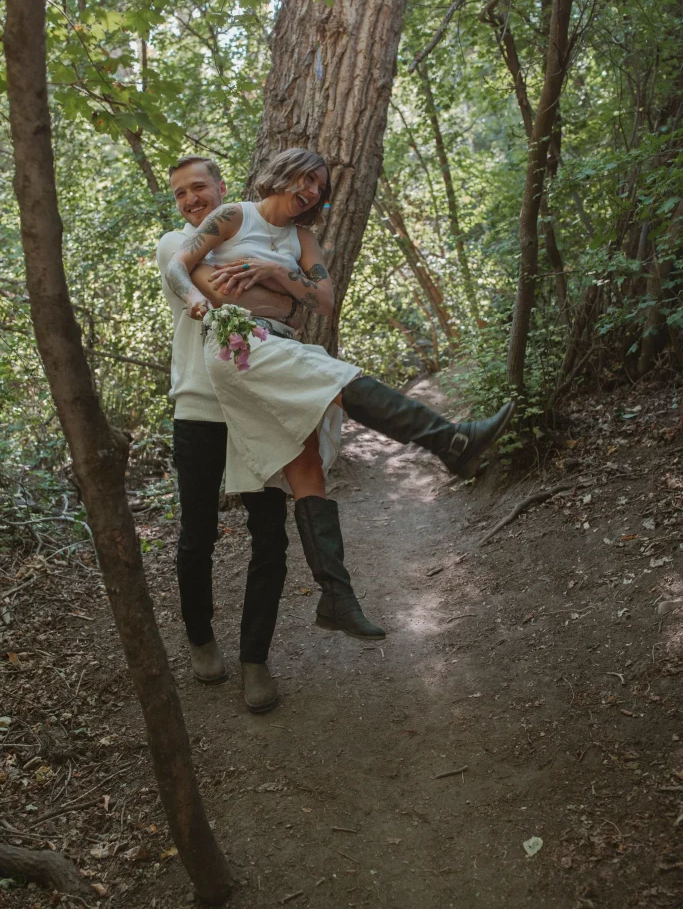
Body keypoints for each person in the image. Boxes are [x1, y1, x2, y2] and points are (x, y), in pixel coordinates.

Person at [165, 148, 515, 644]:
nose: (310, 190)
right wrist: (201, 301)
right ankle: (449, 442)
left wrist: (272, 276)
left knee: (305, 463)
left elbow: (323, 303)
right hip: (243, 344)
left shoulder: (304, 238)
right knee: (337, 378)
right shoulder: (231, 216)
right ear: (281, 175)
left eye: (318, 186)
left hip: (282, 345)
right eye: (304, 178)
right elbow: (180, 266)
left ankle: (336, 598)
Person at [157, 155, 304, 714]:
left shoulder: (255, 242)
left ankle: (255, 659)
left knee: (270, 533)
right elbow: (249, 303)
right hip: (198, 405)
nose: (191, 200)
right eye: (181, 194)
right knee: (198, 535)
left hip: (256, 404)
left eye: (200, 189)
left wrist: (280, 292)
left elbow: (298, 311)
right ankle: (200, 638)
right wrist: (279, 294)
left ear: (223, 191)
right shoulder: (176, 244)